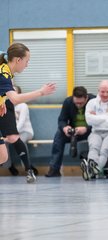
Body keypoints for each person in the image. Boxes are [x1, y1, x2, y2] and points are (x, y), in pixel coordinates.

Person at [0, 42, 56, 183]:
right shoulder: (4, 73)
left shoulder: (6, 71)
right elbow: (16, 99)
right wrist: (41, 92)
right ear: (18, 60)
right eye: (27, 61)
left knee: (3, 156)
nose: (27, 64)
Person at [45, 86, 95, 177]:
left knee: (96, 138)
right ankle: (54, 169)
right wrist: (65, 128)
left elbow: (100, 122)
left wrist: (86, 128)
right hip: (74, 131)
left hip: (91, 130)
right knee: (59, 136)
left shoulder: (94, 101)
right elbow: (61, 120)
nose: (78, 105)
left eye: (81, 103)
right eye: (76, 103)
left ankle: (93, 168)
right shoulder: (68, 102)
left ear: (86, 98)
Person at [81, 80, 108, 181]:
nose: (105, 94)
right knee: (93, 148)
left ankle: (91, 170)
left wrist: (97, 118)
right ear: (98, 91)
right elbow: (89, 120)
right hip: (96, 132)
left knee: (104, 151)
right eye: (102, 92)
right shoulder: (92, 103)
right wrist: (107, 116)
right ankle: (92, 169)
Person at [8, 85, 36, 176]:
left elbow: (22, 122)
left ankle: (28, 168)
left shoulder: (23, 106)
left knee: (20, 141)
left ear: (19, 94)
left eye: (14, 91)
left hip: (26, 132)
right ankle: (9, 166)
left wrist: (14, 134)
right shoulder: (7, 106)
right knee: (3, 143)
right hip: (12, 133)